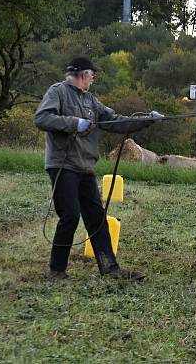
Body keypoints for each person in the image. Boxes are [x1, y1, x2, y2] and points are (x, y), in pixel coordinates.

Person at [35, 56, 163, 281]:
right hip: (62, 165)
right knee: (71, 215)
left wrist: (148, 120)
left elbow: (116, 121)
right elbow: (42, 118)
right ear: (83, 74)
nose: (93, 79)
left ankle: (110, 269)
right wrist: (74, 123)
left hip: (85, 167)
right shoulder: (57, 92)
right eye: (92, 75)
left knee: (96, 217)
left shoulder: (92, 101)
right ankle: (56, 270)